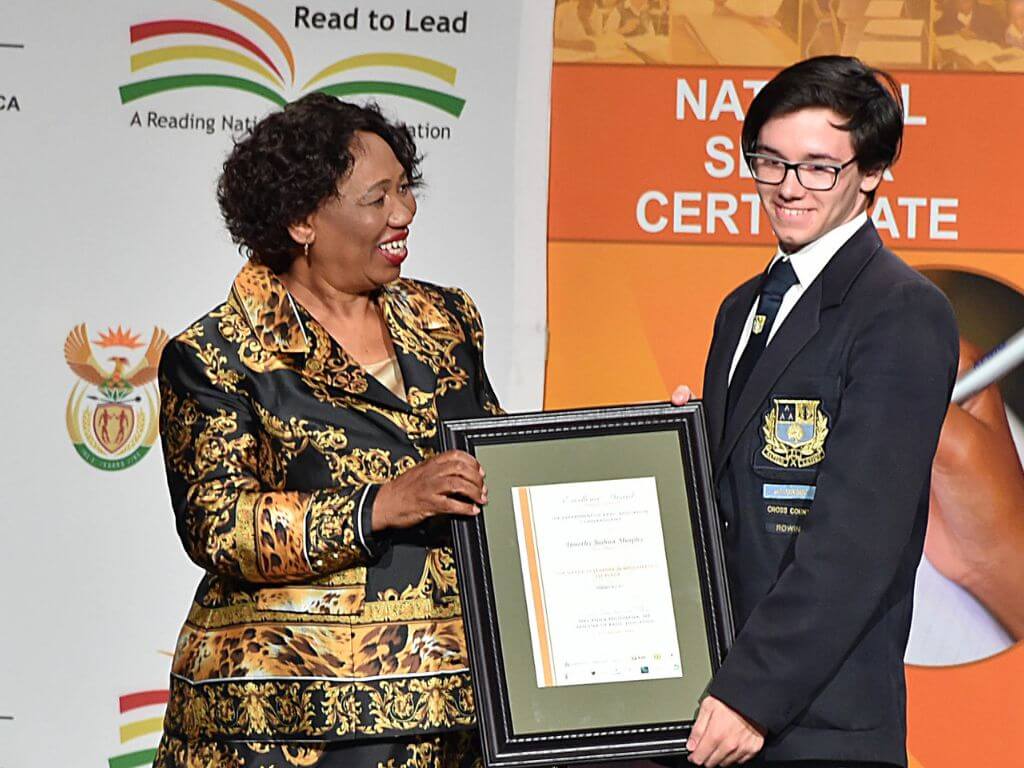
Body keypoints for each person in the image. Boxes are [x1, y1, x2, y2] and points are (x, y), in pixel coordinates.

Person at [154, 93, 500, 768]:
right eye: (378, 198)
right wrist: (381, 505)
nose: (404, 212)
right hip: (288, 723)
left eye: (405, 188)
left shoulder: (448, 319)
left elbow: (494, 463)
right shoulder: (216, 355)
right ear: (302, 220)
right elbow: (221, 526)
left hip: (460, 711)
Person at [671, 56, 958, 767]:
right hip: (714, 709)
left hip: (817, 725)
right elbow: (731, 511)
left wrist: (751, 696)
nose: (788, 188)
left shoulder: (902, 312)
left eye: (818, 167)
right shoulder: (742, 307)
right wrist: (673, 453)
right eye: (770, 162)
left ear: (871, 171)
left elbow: (857, 536)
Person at [934, 0, 1005, 43]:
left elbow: (1000, 35)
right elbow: (937, 29)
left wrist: (977, 36)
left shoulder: (988, 12)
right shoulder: (949, 12)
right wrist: (957, 32)